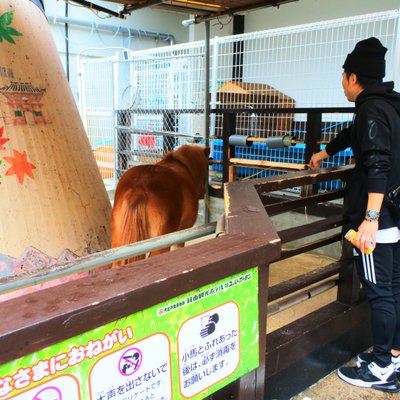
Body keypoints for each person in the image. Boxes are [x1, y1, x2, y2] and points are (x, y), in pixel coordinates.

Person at [309, 37, 400, 393]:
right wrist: (325, 151)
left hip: (379, 221)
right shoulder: (389, 105)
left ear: (352, 76)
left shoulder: (370, 110)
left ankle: (380, 367)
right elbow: (353, 134)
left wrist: (370, 219)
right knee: (393, 287)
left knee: (379, 292)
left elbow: (377, 163)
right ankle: (391, 355)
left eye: (342, 76)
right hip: (395, 214)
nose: (341, 82)